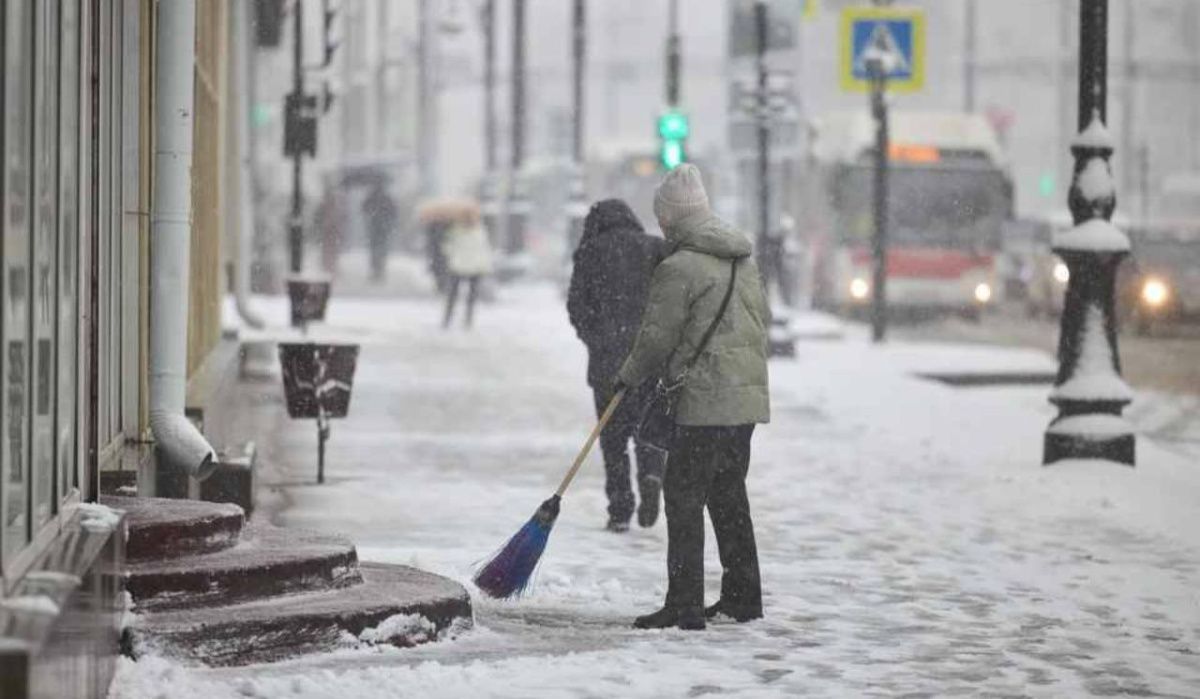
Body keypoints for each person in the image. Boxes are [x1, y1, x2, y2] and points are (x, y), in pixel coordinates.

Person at [615, 163, 770, 631]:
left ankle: (684, 604)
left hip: (704, 402)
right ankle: (743, 596)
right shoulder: (742, 260)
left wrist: (627, 378)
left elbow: (656, 339)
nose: (660, 225)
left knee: (682, 498)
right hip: (743, 401)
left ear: (675, 218)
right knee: (727, 494)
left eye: (663, 217)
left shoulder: (678, 268)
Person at [567, 199, 669, 533]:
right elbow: (673, 299)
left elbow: (576, 306)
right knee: (647, 427)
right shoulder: (655, 248)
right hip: (650, 358)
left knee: (612, 437)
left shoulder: (589, 253)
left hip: (607, 362)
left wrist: (596, 338)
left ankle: (620, 507)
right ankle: (652, 472)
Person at [441, 202, 493, 328]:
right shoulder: (479, 230)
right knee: (468, 296)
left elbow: (447, 246)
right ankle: (466, 320)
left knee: (454, 295)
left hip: (459, 265)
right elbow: (484, 249)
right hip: (472, 266)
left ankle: (450, 320)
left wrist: (450, 254)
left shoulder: (455, 230)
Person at [362, 180, 399, 282]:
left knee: (375, 249)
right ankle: (379, 270)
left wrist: (371, 212)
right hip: (382, 228)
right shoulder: (386, 197)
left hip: (375, 227)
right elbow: (394, 211)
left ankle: (376, 270)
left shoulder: (372, 197)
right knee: (381, 249)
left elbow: (364, 208)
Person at [314, 180, 349, 275]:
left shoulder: (328, 206)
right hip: (329, 234)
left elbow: (317, 219)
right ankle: (329, 268)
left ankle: (330, 268)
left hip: (329, 233)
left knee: (330, 252)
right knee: (330, 252)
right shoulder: (331, 207)